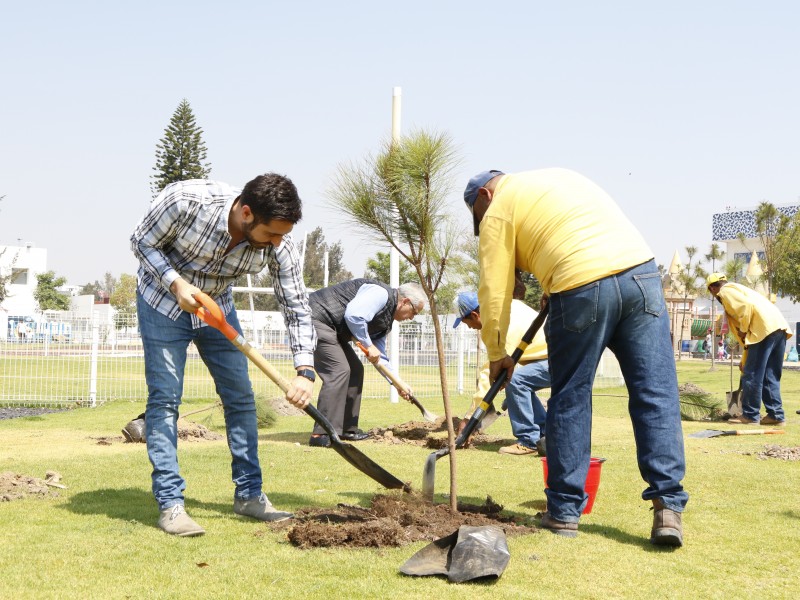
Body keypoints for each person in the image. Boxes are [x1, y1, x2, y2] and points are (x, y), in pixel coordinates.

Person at [464, 167, 687, 547]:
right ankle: (667, 507)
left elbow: (494, 289)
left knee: (570, 397)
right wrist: (550, 282)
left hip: (580, 284)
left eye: (479, 220)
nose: (484, 226)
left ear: (485, 195)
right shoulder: (560, 178)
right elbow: (577, 236)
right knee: (656, 393)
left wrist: (498, 352)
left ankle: (565, 510)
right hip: (642, 276)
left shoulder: (498, 209)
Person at [131, 174, 317, 537]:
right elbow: (141, 240)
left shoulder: (281, 245)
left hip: (218, 309)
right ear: (246, 213)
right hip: (162, 304)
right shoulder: (187, 201)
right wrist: (176, 282)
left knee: (241, 399)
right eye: (271, 234)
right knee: (166, 400)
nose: (278, 242)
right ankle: (171, 505)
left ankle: (249, 495)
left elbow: (296, 306)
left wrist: (304, 370)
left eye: (283, 234)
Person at [307, 279, 427, 447]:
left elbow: (380, 358)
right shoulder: (380, 293)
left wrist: (397, 383)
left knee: (355, 370)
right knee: (339, 370)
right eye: (414, 312)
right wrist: (368, 345)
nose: (412, 317)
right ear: (405, 302)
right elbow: (354, 315)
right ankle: (320, 434)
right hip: (315, 319)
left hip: (333, 330)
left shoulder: (385, 321)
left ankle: (347, 429)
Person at [453, 291, 549, 456]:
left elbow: (490, 373)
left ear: (475, 315)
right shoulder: (505, 309)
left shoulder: (501, 326)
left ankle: (528, 441)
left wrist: (470, 418)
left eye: (465, 322)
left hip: (560, 359)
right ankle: (545, 434)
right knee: (519, 386)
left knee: (516, 382)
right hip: (555, 355)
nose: (468, 327)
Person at [706, 273, 791, 425]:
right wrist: (745, 359)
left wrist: (743, 329)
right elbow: (747, 339)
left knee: (751, 375)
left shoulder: (725, 291)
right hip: (778, 328)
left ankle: (750, 415)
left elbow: (746, 308)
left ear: (712, 288)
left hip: (762, 330)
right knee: (768, 376)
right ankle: (776, 415)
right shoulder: (740, 289)